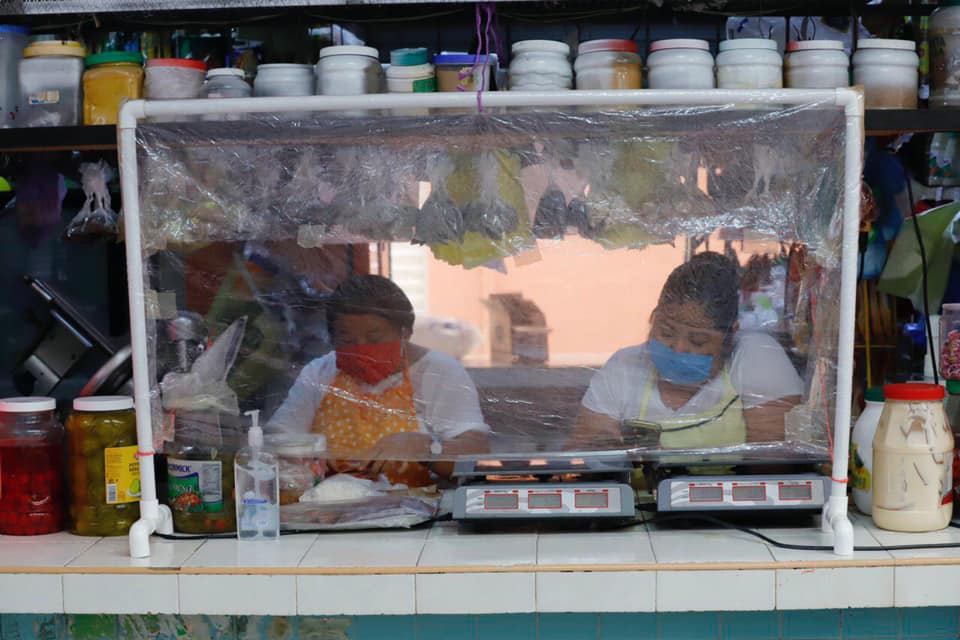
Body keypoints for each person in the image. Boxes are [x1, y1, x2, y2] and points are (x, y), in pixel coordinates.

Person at [268, 275, 489, 487]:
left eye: (374, 339)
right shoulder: (320, 373)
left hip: (419, 507)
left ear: (405, 333)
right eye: (347, 340)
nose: (361, 348)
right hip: (329, 506)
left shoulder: (439, 372)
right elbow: (275, 440)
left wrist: (425, 447)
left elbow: (476, 452)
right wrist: (313, 453)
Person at [569, 251, 803, 451]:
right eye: (666, 332)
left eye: (698, 341)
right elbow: (585, 456)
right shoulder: (624, 368)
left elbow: (772, 464)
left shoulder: (756, 357)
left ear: (730, 336)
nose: (678, 347)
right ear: (653, 318)